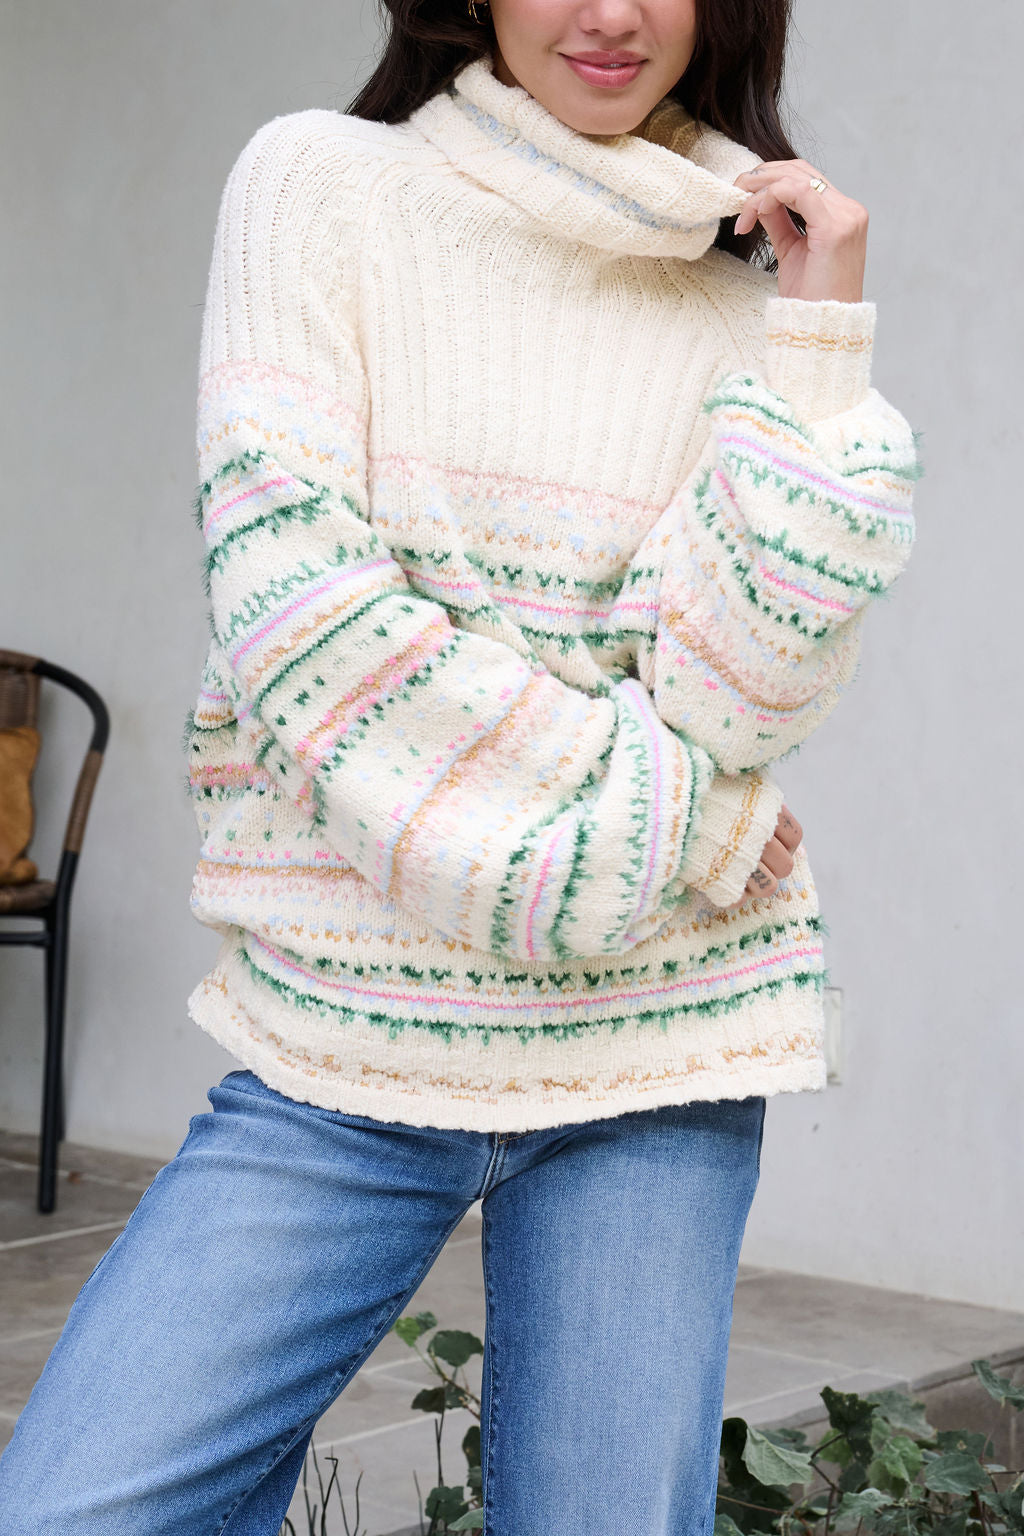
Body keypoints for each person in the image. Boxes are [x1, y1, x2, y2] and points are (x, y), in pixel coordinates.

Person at [0, 0, 920, 1528]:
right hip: (348, 1046)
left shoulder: (738, 292)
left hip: (661, 1057)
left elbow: (746, 695)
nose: (614, 13)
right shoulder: (321, 190)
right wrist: (688, 822)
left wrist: (820, 353)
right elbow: (307, 624)